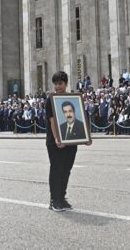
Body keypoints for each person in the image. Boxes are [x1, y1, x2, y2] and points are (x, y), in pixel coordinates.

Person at [46, 71, 90, 212]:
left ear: (65, 84)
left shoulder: (73, 98)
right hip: (55, 142)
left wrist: (87, 138)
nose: (57, 86)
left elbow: (83, 118)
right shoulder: (50, 100)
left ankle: (62, 198)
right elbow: (52, 121)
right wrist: (57, 138)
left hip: (71, 141)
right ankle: (54, 200)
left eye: (60, 83)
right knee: (56, 169)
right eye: (56, 84)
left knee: (66, 170)